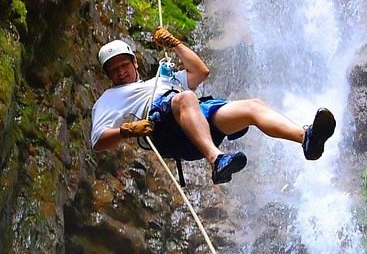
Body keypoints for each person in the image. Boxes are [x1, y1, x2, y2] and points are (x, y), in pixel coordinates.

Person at [90, 27, 336, 184]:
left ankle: (306, 138)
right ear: (108, 75)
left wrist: (175, 43)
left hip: (193, 115)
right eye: (114, 69)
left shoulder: (161, 80)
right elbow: (98, 141)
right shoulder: (108, 100)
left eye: (124, 65)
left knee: (252, 106)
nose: (121, 72)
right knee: (185, 98)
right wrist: (126, 131)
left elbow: (200, 72)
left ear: (134, 63)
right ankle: (217, 160)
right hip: (164, 129)